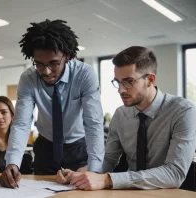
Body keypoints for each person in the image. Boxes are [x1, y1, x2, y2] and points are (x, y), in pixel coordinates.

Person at [57, 46, 196, 190]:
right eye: (118, 82)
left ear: (150, 80)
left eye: (129, 81)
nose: (121, 90)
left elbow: (174, 173)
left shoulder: (183, 111)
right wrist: (81, 174)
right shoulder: (121, 115)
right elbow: (109, 159)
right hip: (131, 193)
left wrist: (108, 179)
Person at [0, 19, 105, 188]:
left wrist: (95, 171)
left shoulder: (85, 75)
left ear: (67, 56)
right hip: (45, 148)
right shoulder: (28, 79)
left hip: (78, 149)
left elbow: (93, 123)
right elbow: (21, 124)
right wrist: (12, 163)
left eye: (54, 63)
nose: (46, 72)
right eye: (39, 64)